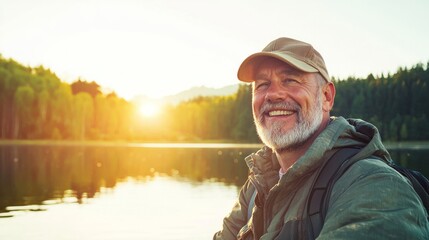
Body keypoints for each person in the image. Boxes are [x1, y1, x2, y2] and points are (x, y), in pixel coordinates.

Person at [213, 37, 429, 239]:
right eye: (262, 84)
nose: (273, 94)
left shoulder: (375, 186)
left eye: (290, 80)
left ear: (326, 96)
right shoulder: (256, 186)